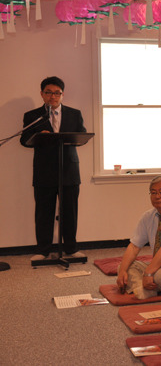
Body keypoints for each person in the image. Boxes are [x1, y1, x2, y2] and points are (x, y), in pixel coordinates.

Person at [20, 76, 87, 261]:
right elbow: (24, 140)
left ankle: (71, 249)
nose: (53, 96)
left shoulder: (74, 114)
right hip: (44, 171)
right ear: (42, 94)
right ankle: (43, 251)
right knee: (44, 213)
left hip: (69, 171)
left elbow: (81, 135)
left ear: (62, 95)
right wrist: (38, 137)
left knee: (70, 212)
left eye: (57, 93)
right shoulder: (32, 116)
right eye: (49, 92)